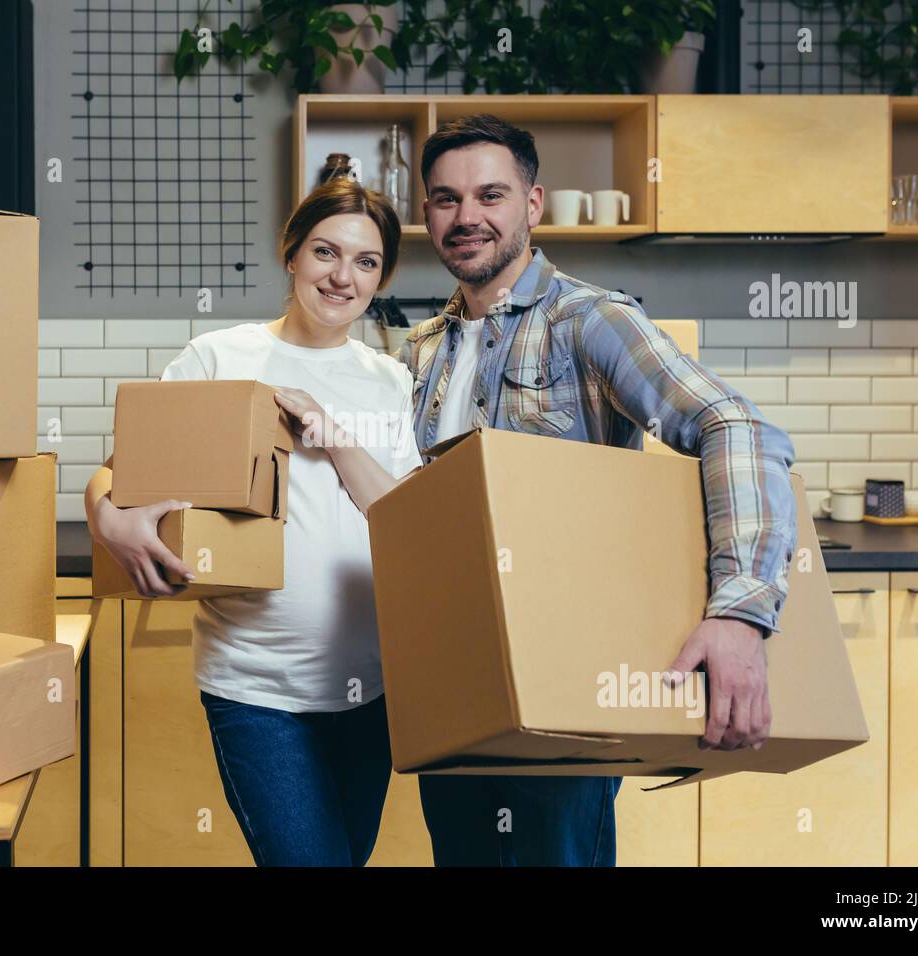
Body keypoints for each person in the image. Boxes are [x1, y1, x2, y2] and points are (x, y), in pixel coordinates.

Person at [395, 113, 800, 866]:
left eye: (491, 194)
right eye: (446, 200)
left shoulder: (589, 320)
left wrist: (742, 614)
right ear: (428, 216)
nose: (467, 217)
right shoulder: (420, 349)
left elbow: (733, 426)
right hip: (453, 670)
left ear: (533, 203)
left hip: (569, 671)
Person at [83, 176, 422, 866]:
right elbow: (118, 472)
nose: (342, 276)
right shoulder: (220, 359)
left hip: (372, 689)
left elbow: (404, 520)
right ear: (291, 253)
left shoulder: (391, 379)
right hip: (256, 687)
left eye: (365, 262)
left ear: (381, 276)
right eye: (325, 252)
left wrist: (332, 435)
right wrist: (106, 522)